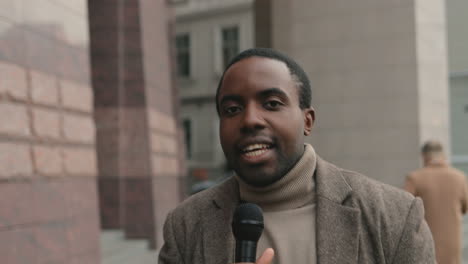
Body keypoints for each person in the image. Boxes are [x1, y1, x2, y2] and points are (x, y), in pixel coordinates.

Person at [159, 48, 435, 264]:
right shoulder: (186, 226)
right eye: (232, 109)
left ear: (308, 120)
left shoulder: (394, 217)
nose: (250, 120)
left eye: (272, 104)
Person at [405, 140, 468, 264]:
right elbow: (465, 207)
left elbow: (404, 209)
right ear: (443, 156)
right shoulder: (460, 177)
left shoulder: (414, 178)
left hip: (424, 241)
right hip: (452, 243)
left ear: (424, 157)